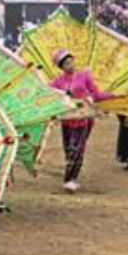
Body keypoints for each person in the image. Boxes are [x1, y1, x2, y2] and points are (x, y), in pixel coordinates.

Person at [49, 49, 116, 193]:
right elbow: (50, 95)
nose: (70, 65)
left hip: (84, 119)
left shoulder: (84, 76)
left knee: (77, 148)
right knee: (69, 149)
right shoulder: (58, 82)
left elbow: (96, 94)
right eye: (66, 63)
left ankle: (70, 179)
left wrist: (114, 95)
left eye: (71, 61)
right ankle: (70, 176)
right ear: (61, 67)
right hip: (67, 120)